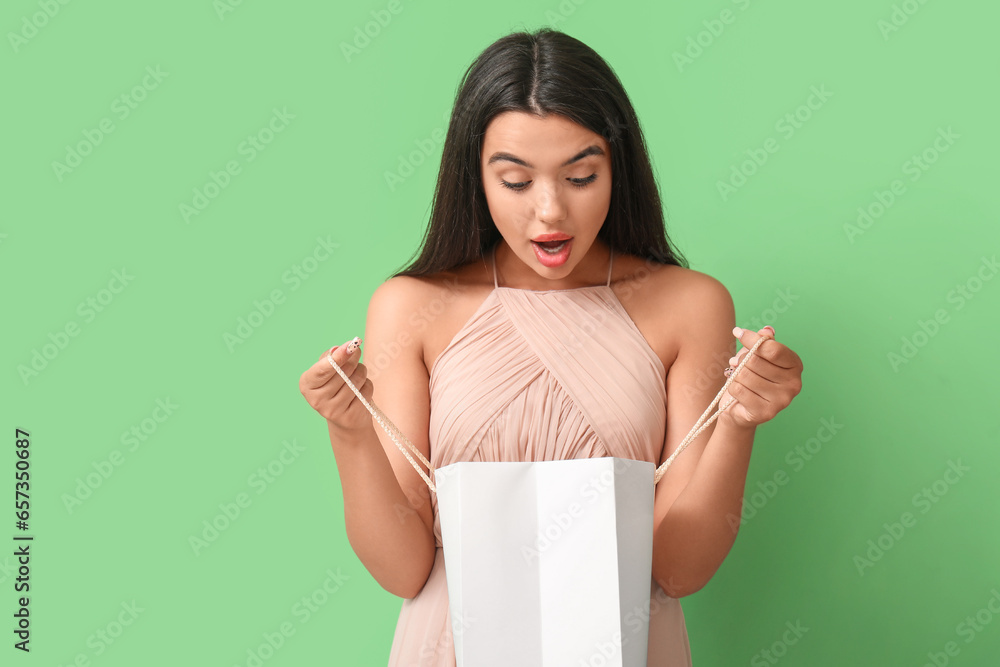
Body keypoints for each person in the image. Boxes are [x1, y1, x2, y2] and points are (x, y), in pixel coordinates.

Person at [299, 28, 804, 666]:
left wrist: (739, 422)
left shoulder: (688, 305)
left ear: (619, 169)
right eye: (515, 181)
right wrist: (349, 432)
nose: (550, 212)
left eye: (581, 175)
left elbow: (678, 571)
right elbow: (404, 571)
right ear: (474, 177)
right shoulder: (411, 306)